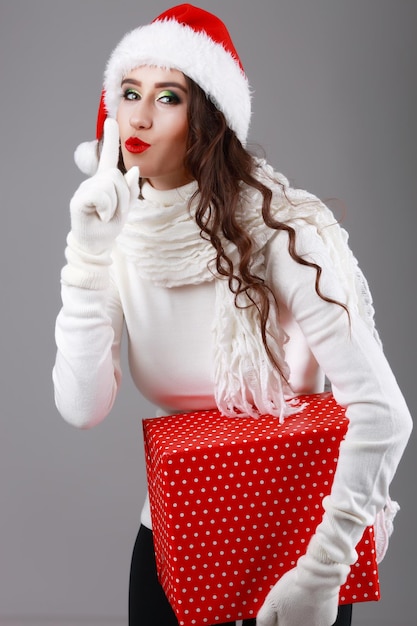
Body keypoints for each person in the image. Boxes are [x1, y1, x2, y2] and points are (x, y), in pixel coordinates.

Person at [52, 4, 412, 626]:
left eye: (168, 97)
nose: (137, 115)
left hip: (298, 554)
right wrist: (87, 256)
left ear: (207, 118)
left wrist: (321, 573)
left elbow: (383, 414)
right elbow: (82, 409)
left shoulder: (283, 231)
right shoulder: (117, 239)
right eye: (128, 92)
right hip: (176, 553)